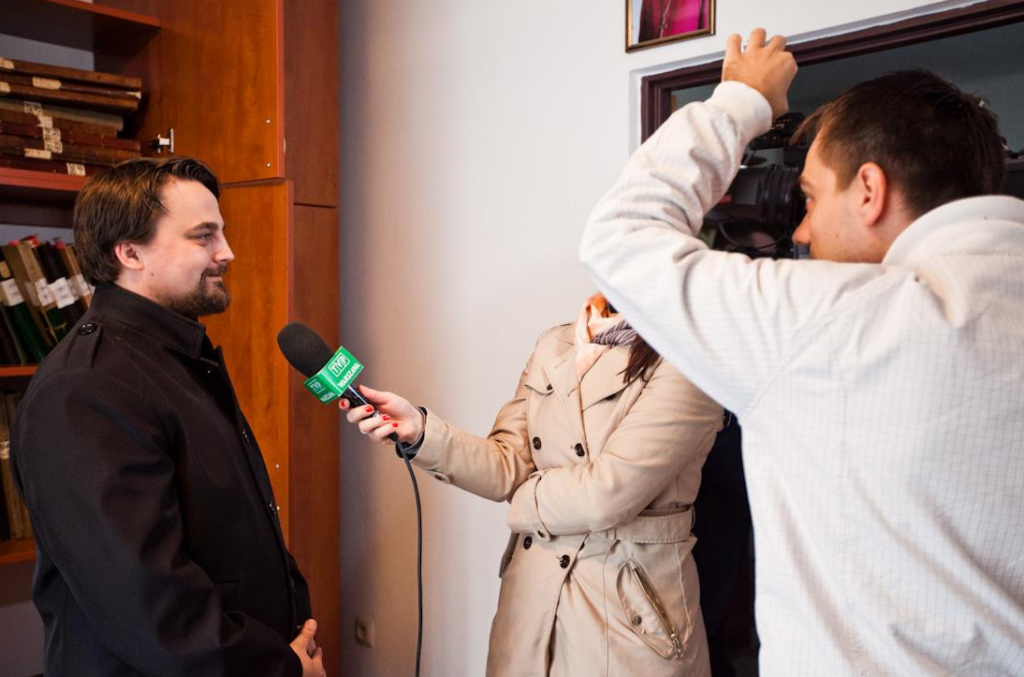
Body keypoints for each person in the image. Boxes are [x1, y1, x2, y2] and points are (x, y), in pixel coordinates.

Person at [580, 27, 1024, 677]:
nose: (805, 231)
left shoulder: (834, 320)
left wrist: (741, 98)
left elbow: (619, 237)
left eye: (810, 198)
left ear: (869, 190)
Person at [11, 158, 326, 677]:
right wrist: (279, 668)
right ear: (129, 252)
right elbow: (149, 605)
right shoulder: (85, 390)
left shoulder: (177, 358)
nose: (227, 252)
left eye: (221, 232)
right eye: (204, 236)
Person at [343, 293, 723, 677]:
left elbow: (606, 495)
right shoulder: (555, 343)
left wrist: (525, 500)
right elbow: (508, 462)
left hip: (625, 613)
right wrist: (421, 431)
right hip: (529, 600)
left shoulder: (691, 362)